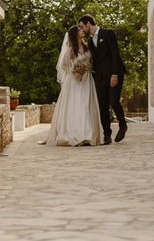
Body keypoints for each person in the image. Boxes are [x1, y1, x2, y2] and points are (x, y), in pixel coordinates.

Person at [42, 25, 101, 146]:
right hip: (74, 81)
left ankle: (87, 135)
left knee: (86, 104)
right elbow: (63, 65)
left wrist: (85, 69)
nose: (82, 31)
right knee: (76, 104)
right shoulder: (70, 49)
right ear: (74, 34)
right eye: (79, 30)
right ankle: (75, 134)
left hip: (87, 80)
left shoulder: (86, 46)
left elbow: (90, 61)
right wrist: (75, 71)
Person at [77, 14, 127, 145]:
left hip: (114, 74)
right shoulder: (89, 41)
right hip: (99, 78)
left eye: (82, 26)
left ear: (88, 24)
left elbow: (115, 54)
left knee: (114, 101)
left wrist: (114, 74)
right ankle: (107, 135)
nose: (81, 29)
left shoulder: (108, 33)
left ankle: (123, 126)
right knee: (102, 106)